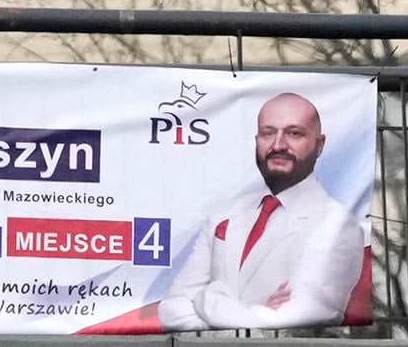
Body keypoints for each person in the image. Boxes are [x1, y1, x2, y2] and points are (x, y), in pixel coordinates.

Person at [150, 89, 373, 331]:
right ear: (257, 140)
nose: (278, 145)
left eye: (294, 133)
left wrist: (208, 298)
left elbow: (306, 312)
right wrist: (257, 311)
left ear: (319, 145)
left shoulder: (337, 224)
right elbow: (171, 309)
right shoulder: (224, 215)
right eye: (268, 133)